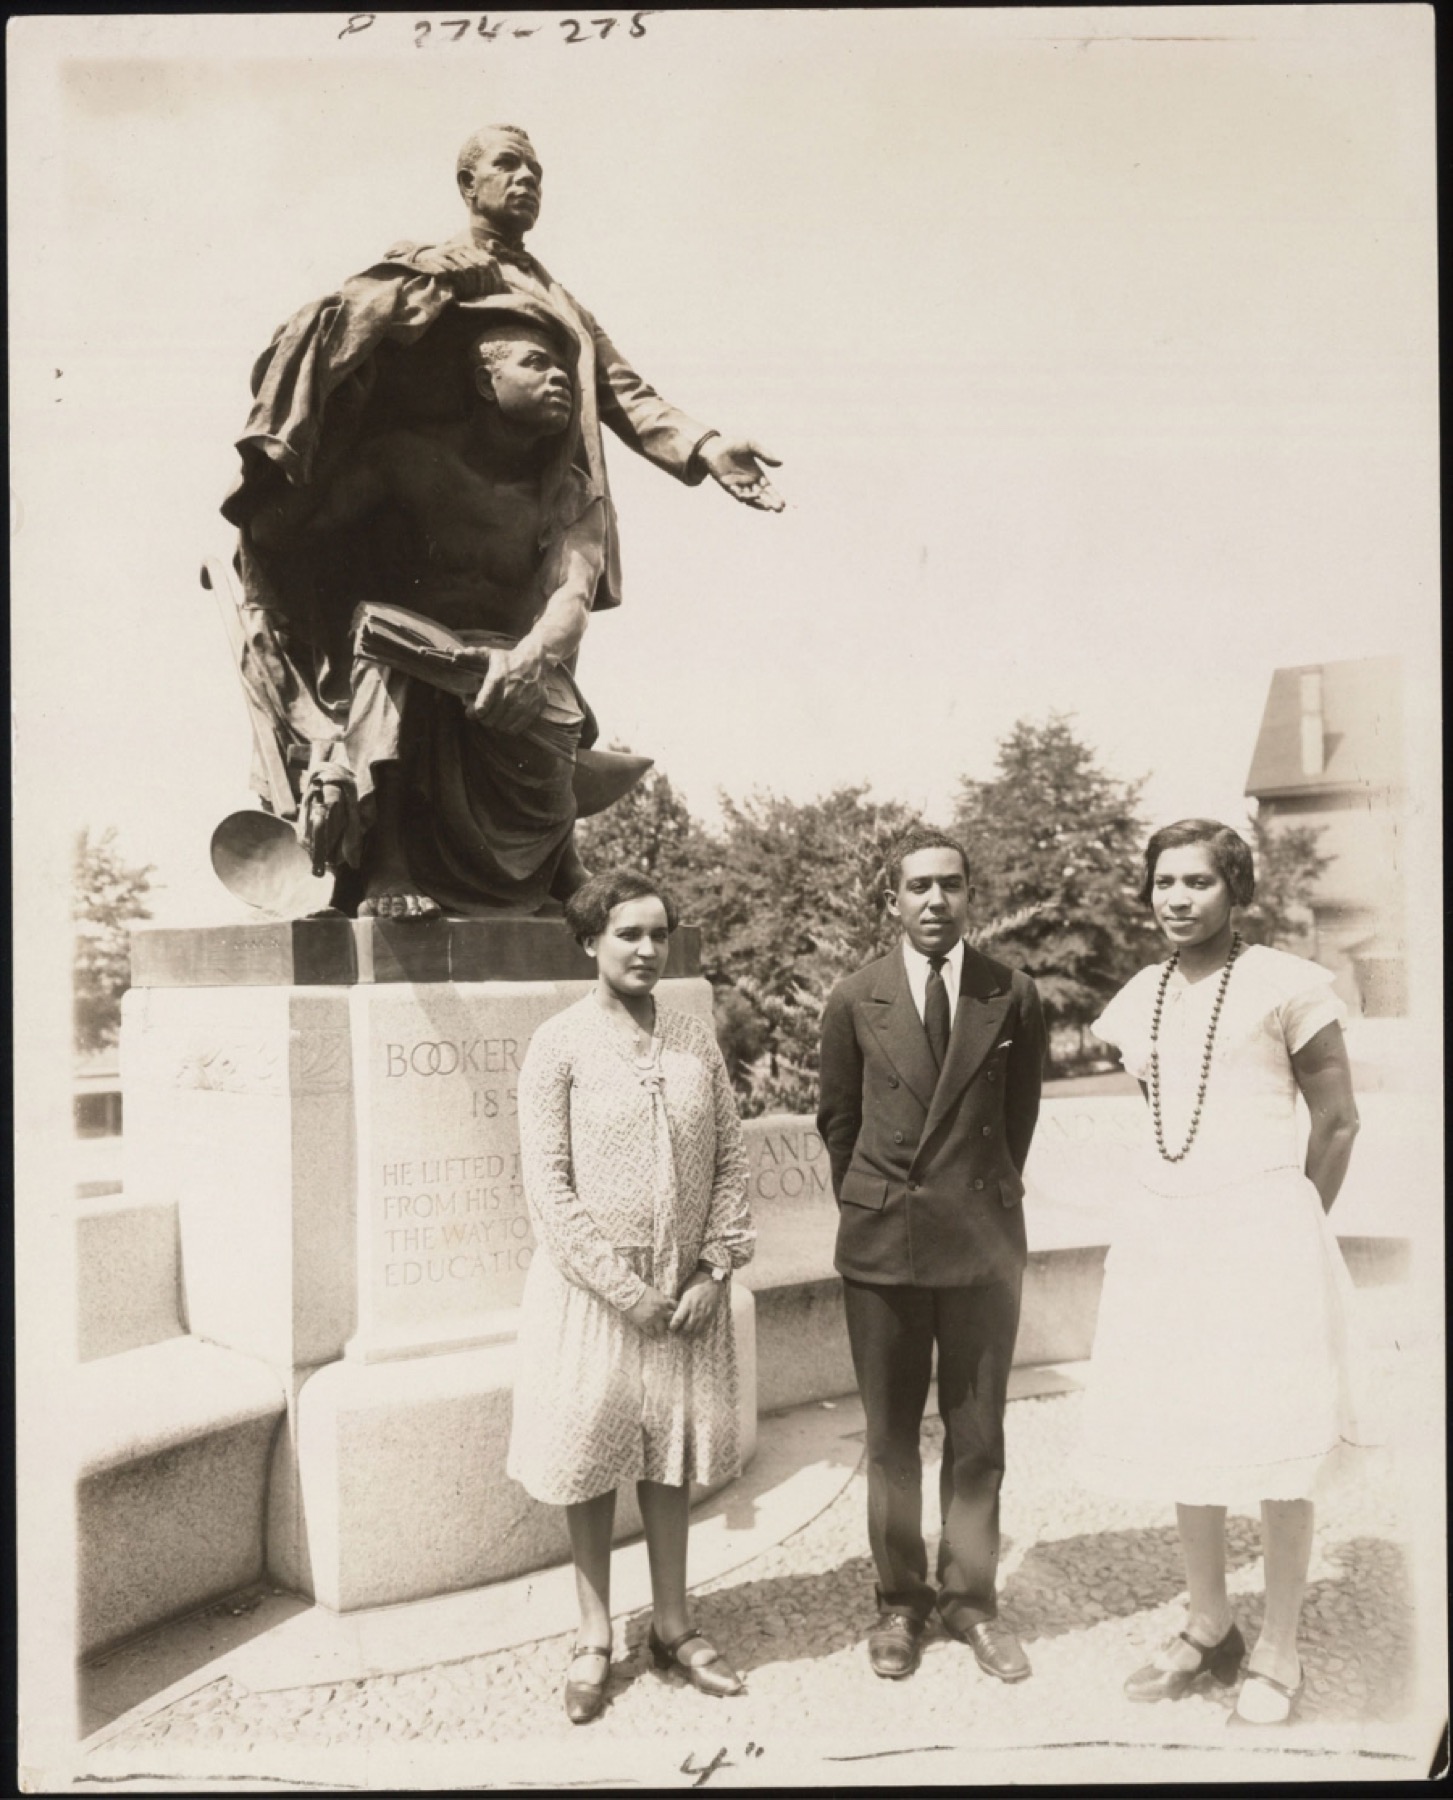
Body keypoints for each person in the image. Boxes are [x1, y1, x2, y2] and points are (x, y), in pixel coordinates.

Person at [1077, 819, 1365, 1727]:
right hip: (1169, 1244)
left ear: (1233, 889)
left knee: (1278, 1435)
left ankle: (1279, 1640)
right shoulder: (1138, 997)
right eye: (1163, 881)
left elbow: (1338, 1120)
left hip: (1265, 1241)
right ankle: (1208, 1622)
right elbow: (1173, 1120)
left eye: (1197, 881)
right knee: (1182, 1426)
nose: (1176, 898)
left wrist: (1293, 1225)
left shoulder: (1287, 984)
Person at [507, 868, 755, 1723]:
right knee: (588, 1456)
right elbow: (548, 1189)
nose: (647, 949)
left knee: (669, 1457)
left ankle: (675, 1624)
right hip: (593, 1298)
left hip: (683, 1295)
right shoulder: (558, 1046)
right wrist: (625, 1291)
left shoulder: (694, 1040)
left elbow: (729, 1159)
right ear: (589, 942)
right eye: (628, 935)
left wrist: (711, 1271)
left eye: (658, 934)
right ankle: (592, 1635)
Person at [816, 824, 1047, 1683]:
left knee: (977, 1434)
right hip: (884, 1246)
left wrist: (975, 1193)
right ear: (891, 900)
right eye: (917, 887)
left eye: (949, 885)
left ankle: (971, 1601)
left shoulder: (1011, 993)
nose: (934, 902)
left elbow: (1017, 1119)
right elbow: (838, 1122)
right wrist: (882, 1200)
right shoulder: (853, 997)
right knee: (887, 1439)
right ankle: (899, 1601)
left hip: (983, 1242)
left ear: (968, 896)